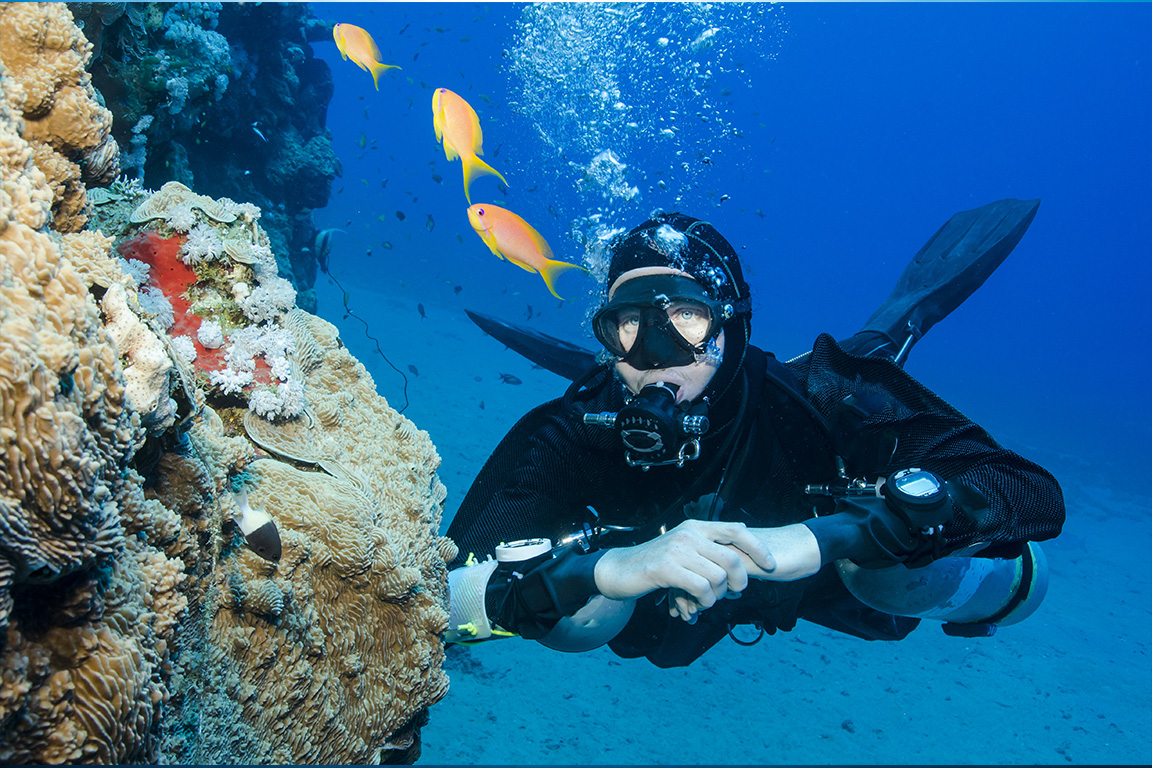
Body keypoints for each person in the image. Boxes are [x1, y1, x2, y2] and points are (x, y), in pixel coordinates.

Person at [445, 212, 1065, 668]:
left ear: (731, 328)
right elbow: (433, 598)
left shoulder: (813, 398)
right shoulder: (568, 433)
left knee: (900, 580)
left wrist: (829, 535)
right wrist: (606, 570)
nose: (655, 354)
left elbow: (1029, 491)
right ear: (606, 336)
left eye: (686, 318)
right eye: (628, 325)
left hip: (814, 569)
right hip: (647, 609)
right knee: (583, 619)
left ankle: (889, 332)